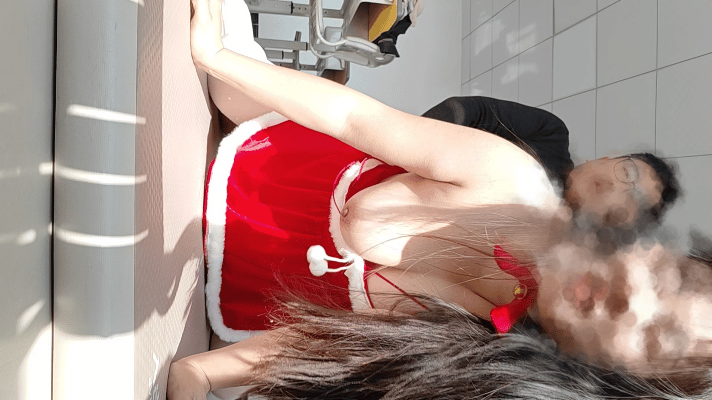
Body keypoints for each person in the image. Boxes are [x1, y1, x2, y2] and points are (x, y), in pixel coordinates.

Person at [172, 0, 712, 398]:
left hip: (215, 287)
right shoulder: (517, 184)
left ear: (622, 379)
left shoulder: (485, 355)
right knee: (216, 76)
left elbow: (315, 342)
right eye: (670, 278)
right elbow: (355, 118)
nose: (632, 300)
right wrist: (218, 55)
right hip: (259, 150)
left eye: (656, 337)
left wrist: (202, 373)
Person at [421, 96, 681, 230]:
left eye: (633, 199)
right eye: (628, 172)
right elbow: (469, 111)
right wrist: (414, 156)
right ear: (606, 158)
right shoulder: (551, 134)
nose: (617, 186)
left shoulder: (553, 258)